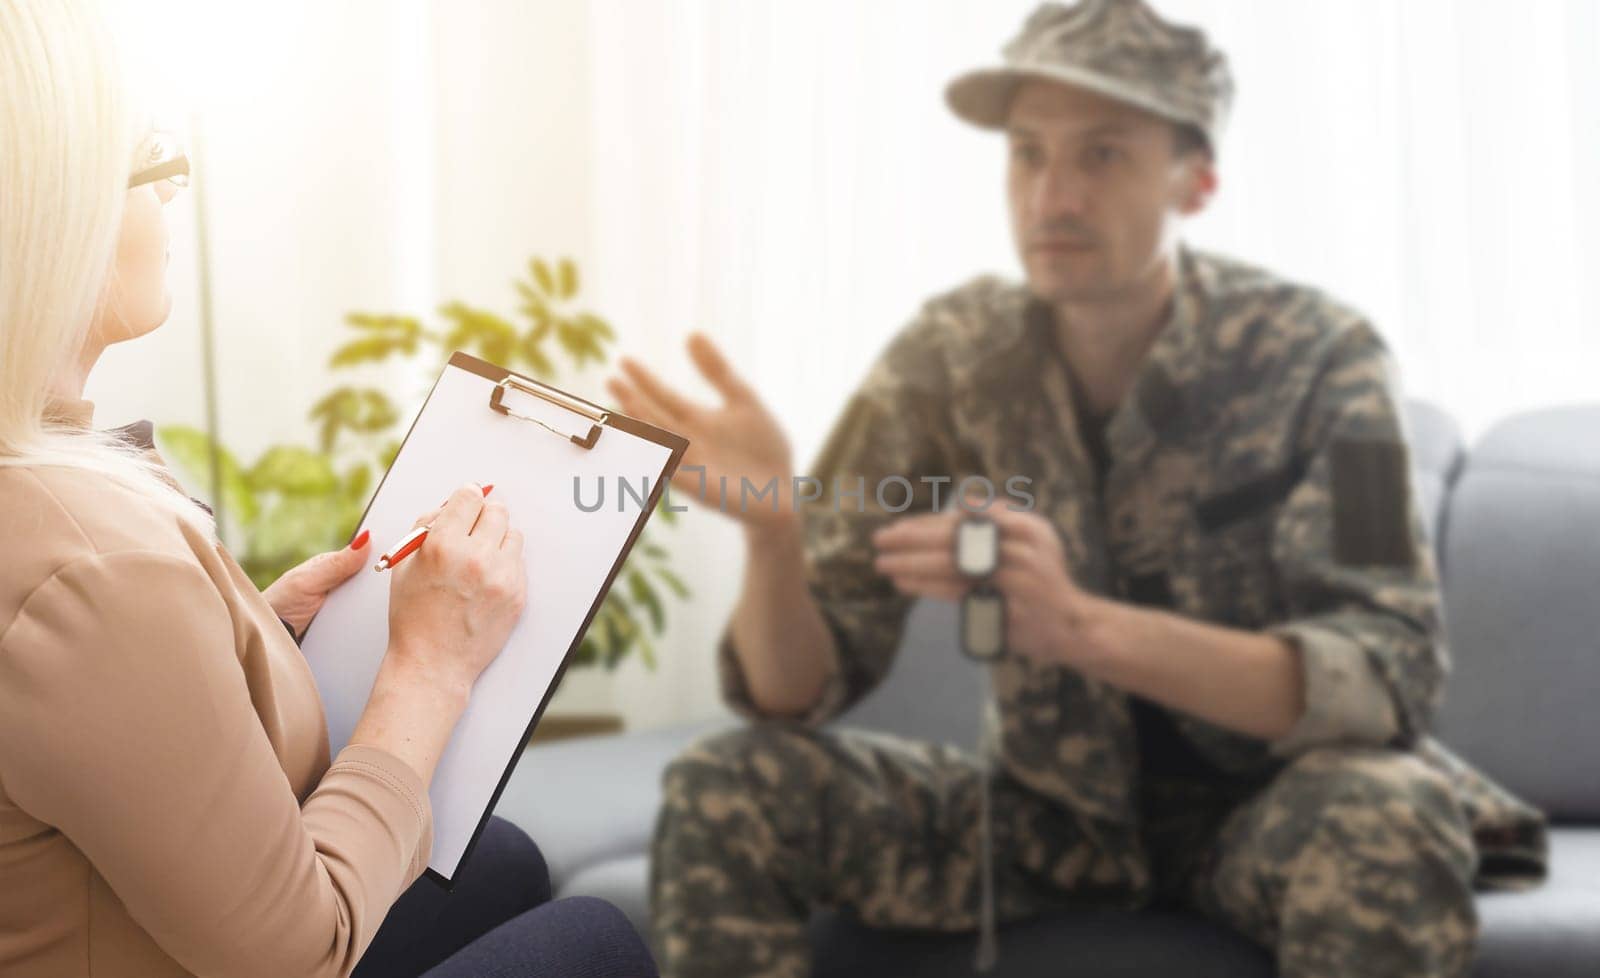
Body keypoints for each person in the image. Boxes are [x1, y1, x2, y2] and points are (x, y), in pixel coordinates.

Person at [607, 2, 1548, 977]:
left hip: (1273, 808)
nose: (1052, 197)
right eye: (1027, 154)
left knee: (1383, 819)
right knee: (729, 781)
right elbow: (794, 694)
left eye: (1101, 156)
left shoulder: (1324, 359)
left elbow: (1386, 676)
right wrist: (775, 543)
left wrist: (1078, 627)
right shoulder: (949, 356)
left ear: (1198, 179)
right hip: (1045, 821)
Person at [0, 2, 657, 976]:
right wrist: (427, 665)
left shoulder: (53, 511)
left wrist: (240, 639)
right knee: (593, 945)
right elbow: (297, 956)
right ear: (54, 209)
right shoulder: (95, 566)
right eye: (146, 156)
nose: (173, 189)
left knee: (496, 864)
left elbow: (65, 719)